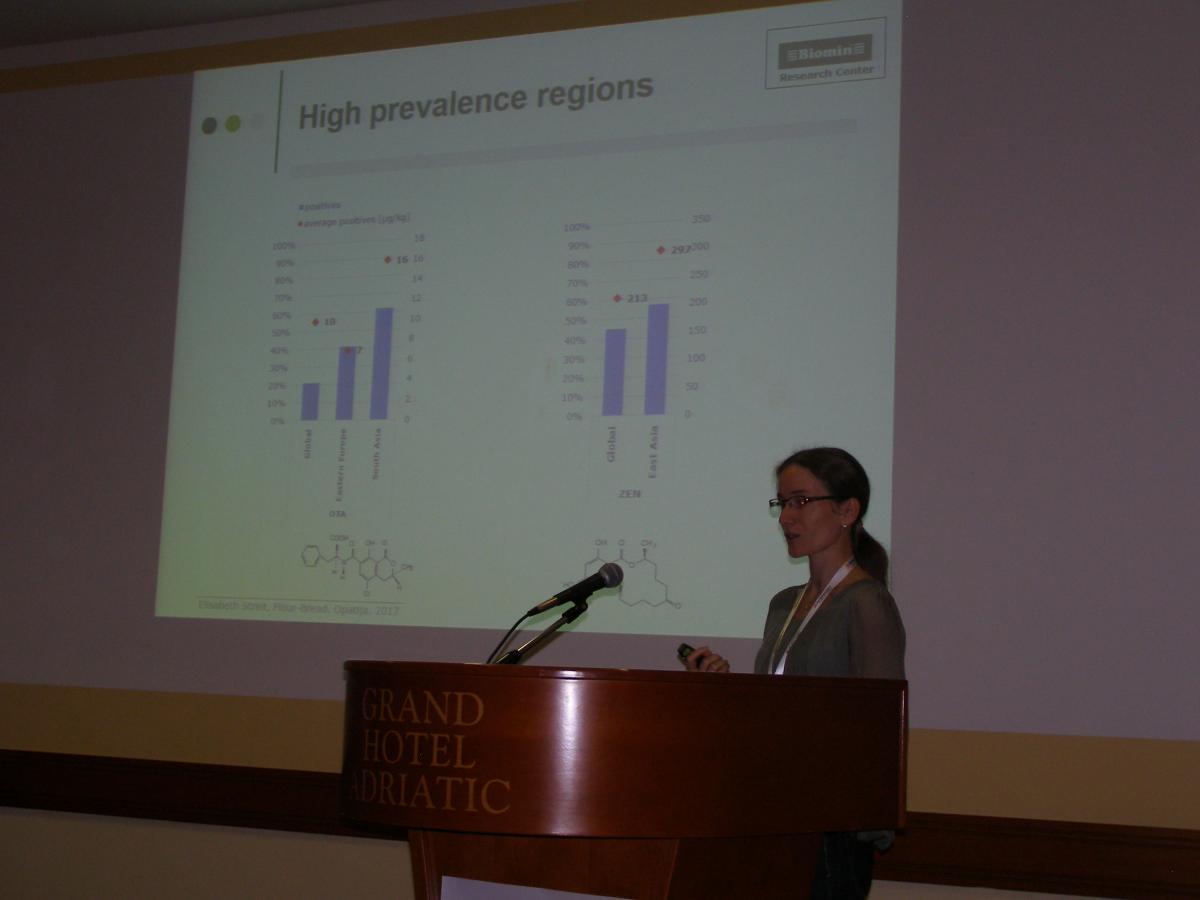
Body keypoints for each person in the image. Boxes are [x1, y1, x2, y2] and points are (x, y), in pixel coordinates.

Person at [684, 446, 905, 899]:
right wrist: (722, 688)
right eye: (782, 503)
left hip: (831, 825)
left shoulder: (866, 603)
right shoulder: (784, 604)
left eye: (801, 501)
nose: (786, 517)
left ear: (847, 510)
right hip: (773, 814)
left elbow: (879, 729)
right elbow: (778, 713)